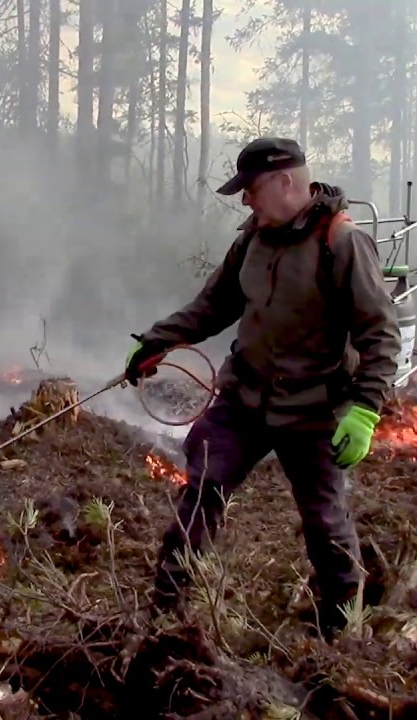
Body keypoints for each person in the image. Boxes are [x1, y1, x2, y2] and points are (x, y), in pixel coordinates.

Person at [123, 137, 401, 640]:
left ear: (286, 182)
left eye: (250, 188)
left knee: (325, 524)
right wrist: (156, 342)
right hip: (244, 400)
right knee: (202, 491)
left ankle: (342, 636)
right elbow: (212, 306)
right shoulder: (252, 239)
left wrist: (364, 411)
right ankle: (165, 613)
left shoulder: (342, 242)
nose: (245, 199)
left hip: (314, 409)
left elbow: (380, 334)